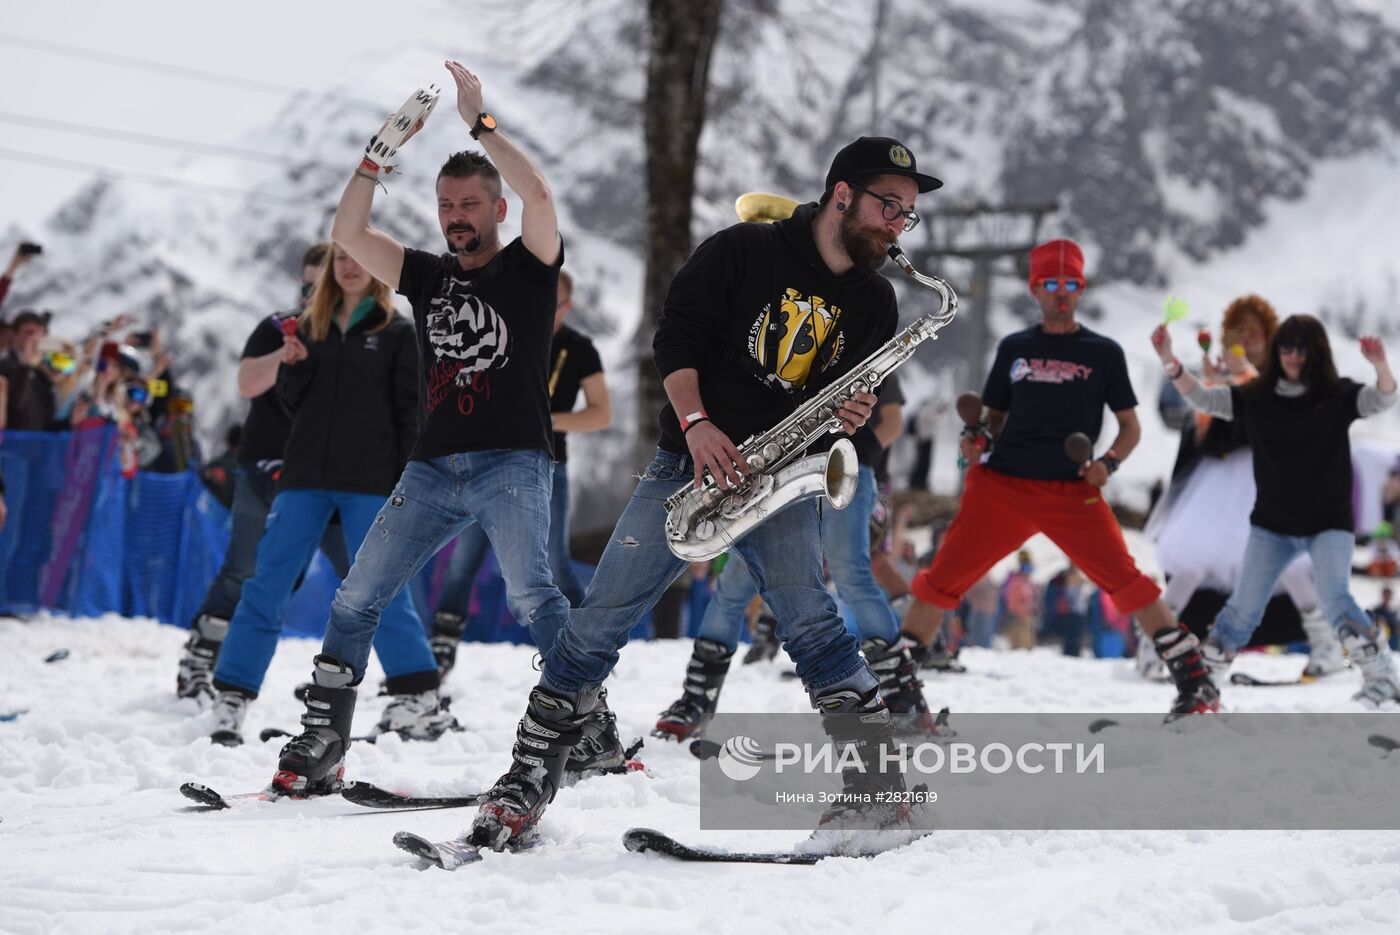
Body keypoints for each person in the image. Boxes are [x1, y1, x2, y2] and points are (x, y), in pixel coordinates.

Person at [463, 135, 940, 853]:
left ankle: (878, 791)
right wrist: (697, 424)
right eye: (890, 206)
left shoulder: (875, 300)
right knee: (599, 619)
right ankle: (528, 778)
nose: (900, 224)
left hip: (779, 475)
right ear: (842, 193)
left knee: (812, 624)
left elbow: (839, 394)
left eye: (908, 214)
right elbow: (675, 342)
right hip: (687, 461)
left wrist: (852, 414)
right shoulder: (742, 250)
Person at [269, 61, 586, 798]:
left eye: (471, 203)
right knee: (355, 597)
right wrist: (377, 156)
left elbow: (541, 191)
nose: (456, 216)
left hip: (513, 462)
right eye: (446, 204)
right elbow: (348, 231)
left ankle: (586, 719)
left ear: (497, 210)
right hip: (433, 469)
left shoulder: (532, 268)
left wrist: (483, 127)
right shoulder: (425, 274)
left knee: (534, 595)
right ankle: (324, 740)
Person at [901, 239, 1220, 720]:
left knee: (1128, 583)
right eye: (1051, 284)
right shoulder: (1015, 348)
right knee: (939, 583)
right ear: (1035, 289)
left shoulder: (1104, 353)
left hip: (1073, 492)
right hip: (1003, 486)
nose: (1062, 293)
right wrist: (977, 443)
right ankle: (899, 692)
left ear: (1081, 288)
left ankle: (1196, 683)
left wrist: (1107, 464)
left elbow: (1131, 427)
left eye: (1071, 284)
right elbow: (993, 423)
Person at [205, 245, 444, 746]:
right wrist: (292, 367)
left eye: (359, 258)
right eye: (341, 260)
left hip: (370, 483)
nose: (350, 266)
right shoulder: (305, 329)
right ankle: (232, 696)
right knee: (266, 583)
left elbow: (411, 413)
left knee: (378, 588)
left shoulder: (398, 332)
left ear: (377, 270)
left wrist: (407, 479)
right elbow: (295, 405)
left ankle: (417, 694)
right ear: (330, 272)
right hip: (303, 478)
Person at [654, 374, 941, 741]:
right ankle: (696, 698)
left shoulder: (861, 338)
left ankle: (903, 698)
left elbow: (892, 422)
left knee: (851, 574)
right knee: (736, 583)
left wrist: (850, 457)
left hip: (843, 464)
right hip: (781, 471)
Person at [1152, 314, 1400, 705]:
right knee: (1241, 610)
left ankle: (1383, 678)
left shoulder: (1336, 395)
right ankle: (1204, 685)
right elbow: (1202, 397)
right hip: (1273, 526)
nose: (1294, 356)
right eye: (1286, 348)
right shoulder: (1258, 397)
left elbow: (1385, 397)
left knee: (1336, 599)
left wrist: (1381, 364)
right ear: (1277, 352)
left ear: (1316, 353)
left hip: (1327, 523)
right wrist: (1170, 360)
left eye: (1302, 349)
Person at [174, 244, 351, 704]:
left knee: (358, 578)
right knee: (244, 569)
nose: (315, 293)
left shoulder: (360, 332)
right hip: (266, 467)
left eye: (324, 283)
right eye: (307, 284)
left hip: (332, 474)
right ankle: (200, 659)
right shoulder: (278, 326)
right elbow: (247, 384)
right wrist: (285, 354)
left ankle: (343, 680)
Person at [1143, 295, 1343, 681]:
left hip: (1269, 483)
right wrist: (1214, 388)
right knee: (1189, 562)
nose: (1246, 341)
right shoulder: (1217, 374)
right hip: (1218, 486)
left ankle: (1326, 645)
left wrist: (1243, 379)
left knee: (1295, 563)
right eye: (1238, 333)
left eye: (1254, 333)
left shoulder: (1286, 378)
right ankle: (1153, 645)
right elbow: (1205, 436)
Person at [428, 267, 610, 674]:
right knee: (465, 557)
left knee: (555, 560)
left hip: (547, 466)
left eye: (555, 301)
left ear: (569, 305)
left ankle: (589, 644)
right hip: (486, 462)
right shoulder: (502, 332)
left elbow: (601, 413)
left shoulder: (578, 348)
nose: (545, 308)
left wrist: (544, 420)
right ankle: (442, 643)